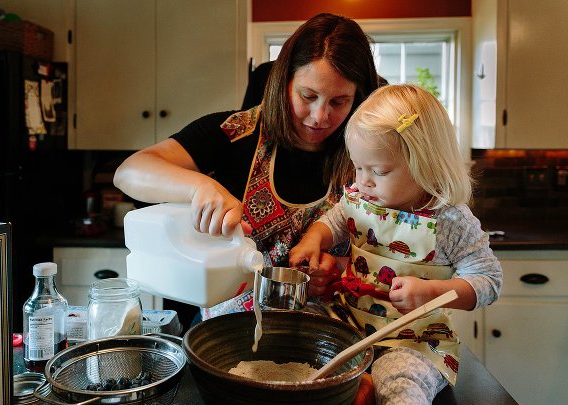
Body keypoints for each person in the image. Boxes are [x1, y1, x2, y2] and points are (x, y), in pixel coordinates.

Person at [289, 84, 503, 405]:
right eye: (357, 168)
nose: (362, 182)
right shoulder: (361, 196)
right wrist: (313, 240)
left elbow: (488, 280)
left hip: (412, 341)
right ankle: (354, 388)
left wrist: (435, 292)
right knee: (302, 329)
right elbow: (335, 219)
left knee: (402, 383)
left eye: (378, 172)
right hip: (348, 324)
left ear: (425, 165)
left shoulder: (451, 222)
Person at [114, 12, 381, 318]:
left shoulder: (369, 154)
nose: (320, 116)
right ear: (285, 82)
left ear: (358, 98)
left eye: (339, 102)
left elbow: (389, 250)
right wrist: (201, 186)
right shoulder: (236, 133)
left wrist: (338, 273)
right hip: (229, 331)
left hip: (328, 332)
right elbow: (130, 171)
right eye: (308, 96)